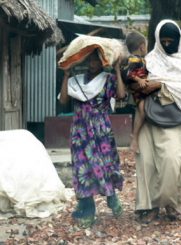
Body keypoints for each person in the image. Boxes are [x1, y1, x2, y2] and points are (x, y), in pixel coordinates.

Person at [133, 19, 181, 223]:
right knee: (148, 165)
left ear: (178, 40)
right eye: (163, 41)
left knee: (173, 162)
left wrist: (159, 85)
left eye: (170, 41)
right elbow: (136, 84)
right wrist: (144, 86)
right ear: (158, 41)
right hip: (149, 119)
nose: (167, 45)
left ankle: (173, 204)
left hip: (176, 119)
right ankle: (151, 207)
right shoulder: (149, 60)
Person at [59, 49, 126, 227]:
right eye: (89, 61)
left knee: (104, 166)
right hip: (80, 132)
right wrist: (66, 76)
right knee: (83, 170)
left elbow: (120, 95)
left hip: (101, 131)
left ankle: (112, 198)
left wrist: (117, 70)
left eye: (96, 61)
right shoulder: (77, 80)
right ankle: (88, 210)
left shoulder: (108, 79)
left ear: (102, 62)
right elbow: (63, 100)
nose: (92, 64)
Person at [123, 31, 149, 153]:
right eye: (146, 46)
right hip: (136, 90)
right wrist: (139, 79)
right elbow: (128, 74)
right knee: (142, 110)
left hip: (140, 89)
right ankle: (135, 137)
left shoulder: (140, 59)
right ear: (142, 46)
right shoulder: (134, 60)